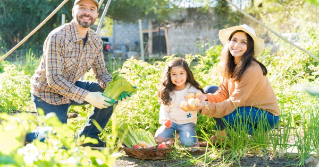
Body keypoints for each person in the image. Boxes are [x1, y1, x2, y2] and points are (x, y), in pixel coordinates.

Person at [26, 0, 130, 147]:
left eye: (92, 9)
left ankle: (88, 137)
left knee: (108, 92)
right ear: (73, 11)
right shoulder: (58, 36)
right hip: (47, 93)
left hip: (70, 87)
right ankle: (29, 134)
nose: (87, 12)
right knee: (58, 143)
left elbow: (101, 73)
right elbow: (54, 80)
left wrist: (116, 88)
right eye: (82, 8)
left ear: (96, 15)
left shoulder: (95, 41)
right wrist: (88, 96)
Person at [183, 24, 280, 145]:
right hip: (245, 107)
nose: (237, 45)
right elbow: (223, 93)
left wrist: (205, 107)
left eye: (243, 42)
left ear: (249, 47)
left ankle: (259, 136)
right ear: (229, 42)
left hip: (265, 115)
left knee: (226, 116)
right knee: (210, 90)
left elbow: (233, 102)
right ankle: (221, 137)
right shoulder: (231, 65)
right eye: (234, 40)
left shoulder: (252, 69)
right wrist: (205, 98)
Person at [155, 58, 205, 147]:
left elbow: (200, 98)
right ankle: (173, 138)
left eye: (181, 73)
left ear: (187, 74)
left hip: (187, 122)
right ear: (169, 76)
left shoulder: (192, 90)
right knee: (158, 138)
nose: (178, 77)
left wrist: (198, 97)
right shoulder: (168, 92)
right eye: (174, 74)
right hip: (172, 122)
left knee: (188, 143)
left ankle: (192, 138)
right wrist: (165, 119)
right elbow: (164, 109)